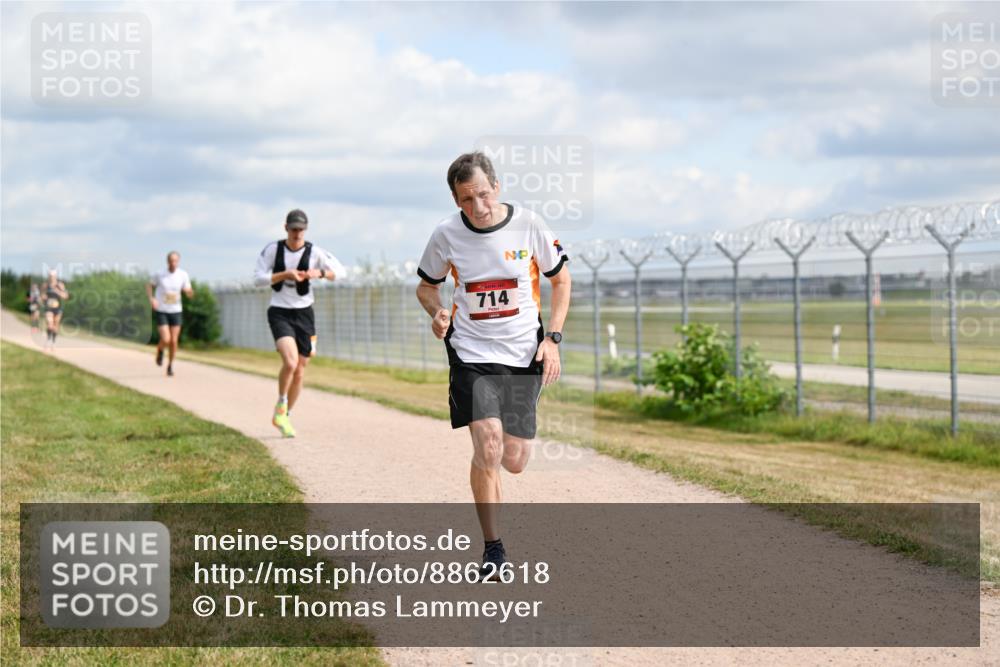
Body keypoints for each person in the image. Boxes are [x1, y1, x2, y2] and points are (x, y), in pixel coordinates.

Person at [415, 152, 571, 578]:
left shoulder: (529, 224)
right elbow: (426, 287)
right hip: (471, 354)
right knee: (488, 445)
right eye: (466, 199)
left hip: (522, 354)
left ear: (497, 187)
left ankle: (498, 461)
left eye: (483, 194)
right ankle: (493, 548)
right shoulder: (446, 234)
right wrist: (437, 312)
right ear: (455, 199)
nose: (478, 206)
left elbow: (560, 280)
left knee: (514, 459)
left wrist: (553, 339)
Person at [254, 209, 344, 438]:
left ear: (306, 229)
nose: (297, 233)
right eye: (293, 229)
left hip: (305, 313)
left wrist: (319, 273)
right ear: (286, 228)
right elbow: (258, 279)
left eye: (301, 229)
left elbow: (340, 272)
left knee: (301, 370)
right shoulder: (273, 250)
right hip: (280, 311)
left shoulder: (315, 252)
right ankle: (281, 402)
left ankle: (284, 415)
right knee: (291, 362)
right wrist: (284, 275)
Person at [146, 251, 194, 377]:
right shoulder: (160, 274)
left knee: (173, 340)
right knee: (166, 339)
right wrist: (152, 299)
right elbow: (149, 286)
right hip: (162, 310)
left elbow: (189, 290)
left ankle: (170, 365)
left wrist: (189, 292)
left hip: (176, 310)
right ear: (167, 261)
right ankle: (160, 349)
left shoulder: (183, 275)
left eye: (175, 261)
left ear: (178, 261)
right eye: (171, 260)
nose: (173, 263)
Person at [42, 270, 69, 350]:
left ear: (56, 276)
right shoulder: (45, 285)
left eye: (53, 276)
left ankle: (53, 342)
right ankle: (48, 340)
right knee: (50, 324)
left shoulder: (60, 285)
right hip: (49, 308)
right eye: (50, 276)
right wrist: (43, 297)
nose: (51, 277)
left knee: (55, 326)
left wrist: (57, 291)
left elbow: (66, 296)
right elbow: (42, 295)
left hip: (58, 308)